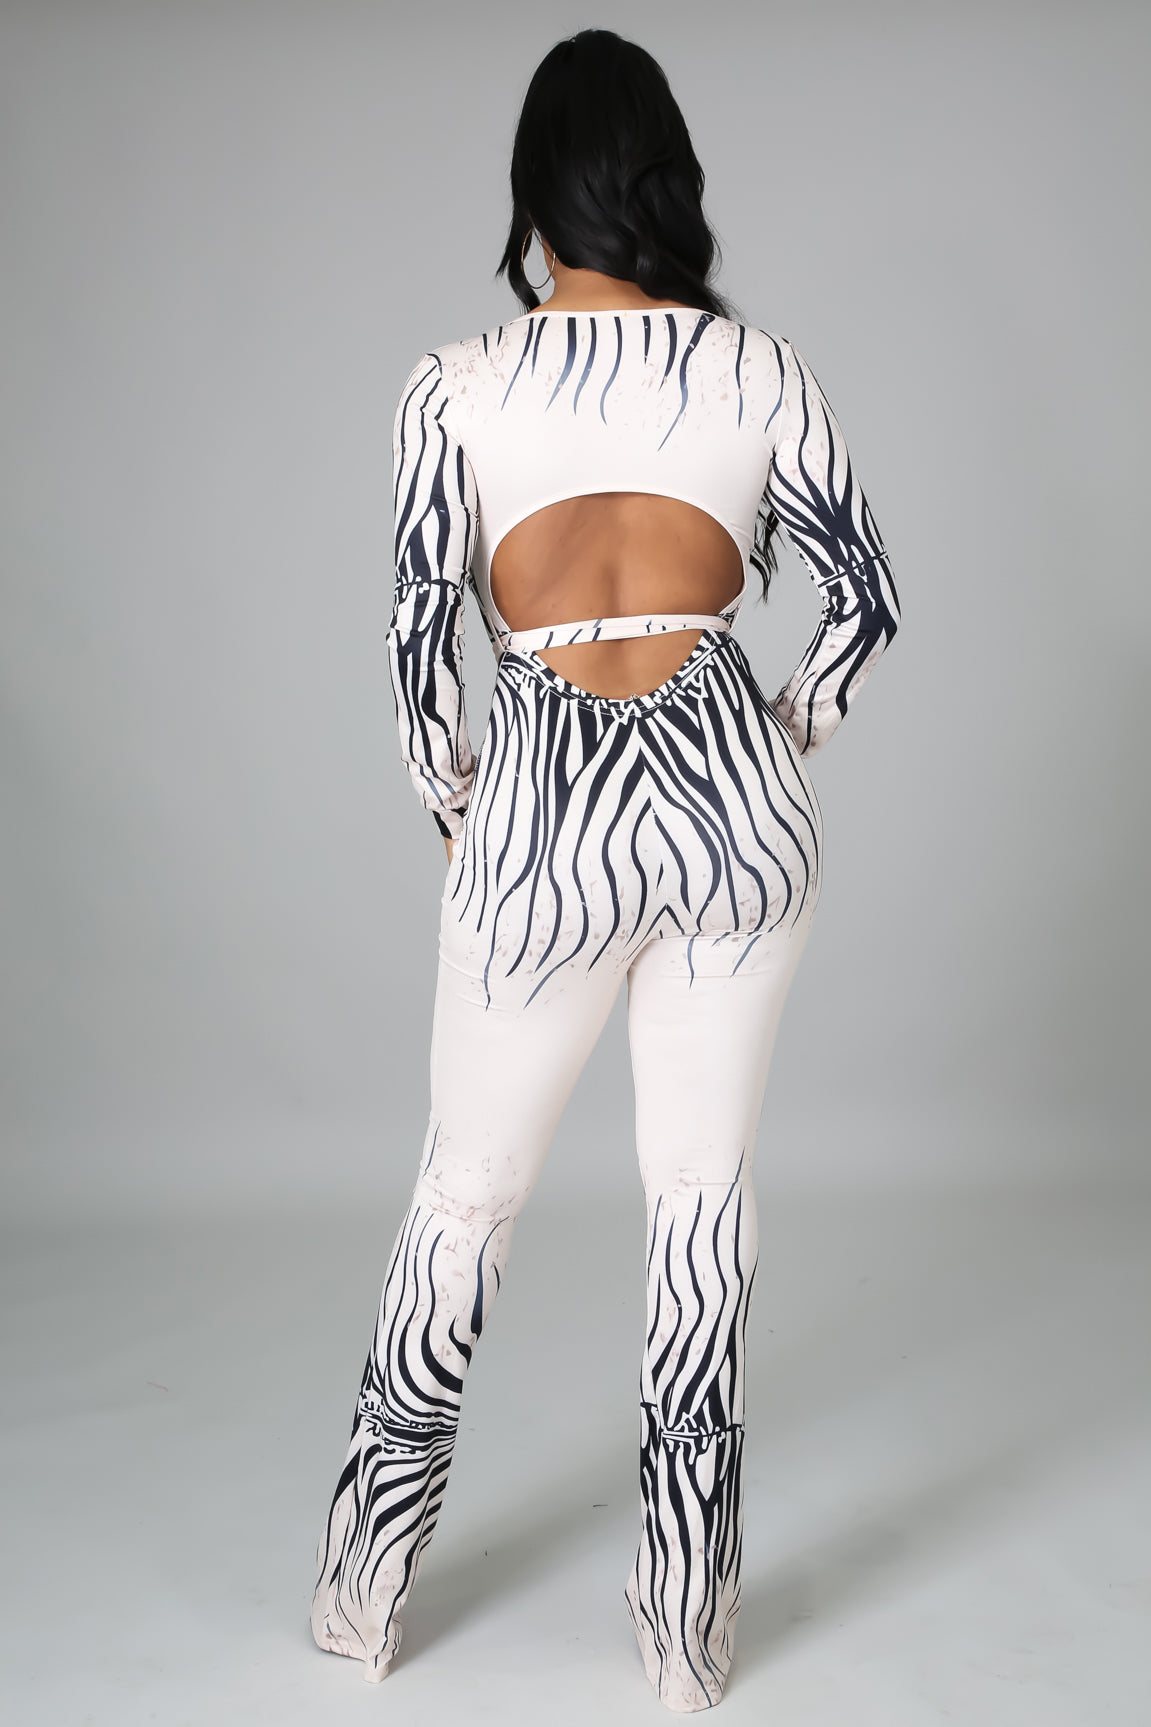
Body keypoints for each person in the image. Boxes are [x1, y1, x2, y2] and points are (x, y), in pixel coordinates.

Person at [309, 27, 899, 1714]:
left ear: (533, 192)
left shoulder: (455, 386)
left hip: (542, 818)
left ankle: (359, 1605)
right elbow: (864, 604)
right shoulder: (760, 369)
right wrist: (769, 748)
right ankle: (684, 1642)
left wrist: (461, 807)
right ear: (666, 182)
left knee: (464, 1199)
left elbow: (419, 647)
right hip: (735, 810)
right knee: (701, 1205)